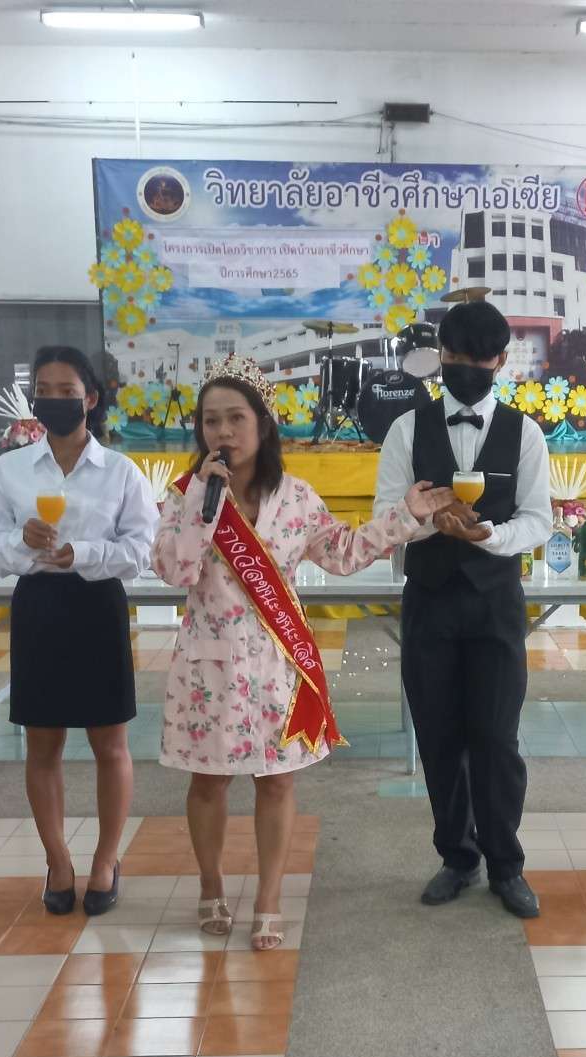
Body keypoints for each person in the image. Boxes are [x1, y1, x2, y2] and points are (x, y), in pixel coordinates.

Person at [152, 354, 454, 950]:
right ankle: (211, 884)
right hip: (208, 669)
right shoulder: (186, 496)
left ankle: (268, 898)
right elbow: (175, 570)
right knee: (208, 784)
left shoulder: (295, 498)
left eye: (235, 418)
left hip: (276, 666)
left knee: (277, 784)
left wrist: (406, 517)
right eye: (210, 421)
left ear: (262, 424)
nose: (222, 432)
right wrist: (204, 505)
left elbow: (343, 553)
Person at [374, 300, 553, 918]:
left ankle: (506, 863)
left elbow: (538, 520)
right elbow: (385, 516)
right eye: (453, 356)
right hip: (430, 601)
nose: (464, 368)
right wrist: (426, 522)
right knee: (439, 736)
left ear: (500, 361)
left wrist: (489, 536)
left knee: (497, 738)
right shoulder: (406, 429)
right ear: (439, 358)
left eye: (477, 358)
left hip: (496, 604)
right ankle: (457, 856)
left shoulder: (525, 433)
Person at [0, 345, 158, 916]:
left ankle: (106, 860)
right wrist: (20, 542)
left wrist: (83, 552)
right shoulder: (9, 471)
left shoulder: (120, 471)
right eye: (44, 391)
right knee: (43, 744)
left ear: (91, 398)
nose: (53, 400)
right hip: (39, 607)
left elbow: (140, 551)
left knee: (110, 743)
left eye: (66, 391)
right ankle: (57, 860)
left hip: (98, 604)